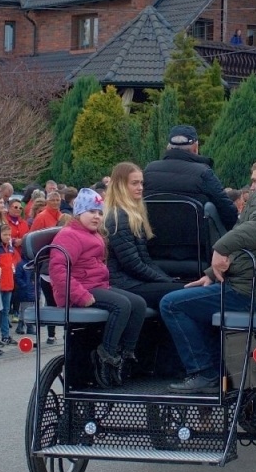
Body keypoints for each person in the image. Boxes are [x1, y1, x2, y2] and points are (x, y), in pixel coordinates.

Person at [161, 147, 256, 394]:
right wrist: (211, 273)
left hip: (254, 290)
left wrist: (221, 247)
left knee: (172, 304)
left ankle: (205, 373)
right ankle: (222, 374)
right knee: (197, 304)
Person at [50, 188, 146, 388]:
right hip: (78, 290)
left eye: (100, 212)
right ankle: (106, 356)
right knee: (122, 305)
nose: (97, 216)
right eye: (91, 211)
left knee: (138, 304)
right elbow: (58, 271)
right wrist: (80, 295)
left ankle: (125, 353)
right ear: (79, 213)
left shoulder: (93, 234)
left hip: (96, 285)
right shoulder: (69, 235)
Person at [104, 161, 185, 309]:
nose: (140, 188)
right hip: (123, 284)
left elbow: (144, 259)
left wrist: (167, 280)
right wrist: (165, 281)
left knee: (182, 290)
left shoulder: (131, 214)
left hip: (131, 280)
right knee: (182, 295)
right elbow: (132, 264)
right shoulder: (118, 217)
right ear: (121, 186)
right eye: (134, 183)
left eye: (141, 183)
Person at [142, 124, 237, 231]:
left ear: (168, 148)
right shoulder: (203, 173)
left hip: (151, 241)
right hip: (195, 244)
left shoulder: (149, 170)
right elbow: (227, 210)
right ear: (195, 148)